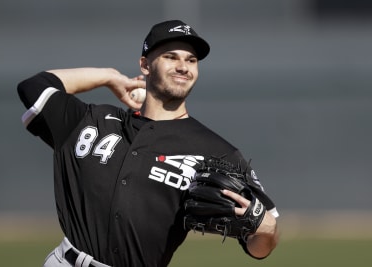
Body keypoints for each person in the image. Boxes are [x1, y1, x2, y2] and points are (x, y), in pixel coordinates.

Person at [17, 19, 279, 267]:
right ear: (145, 64)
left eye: (191, 60)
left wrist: (266, 230)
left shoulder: (216, 152)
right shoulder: (93, 122)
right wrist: (108, 76)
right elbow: (34, 87)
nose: (183, 66)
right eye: (171, 56)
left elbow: (260, 246)